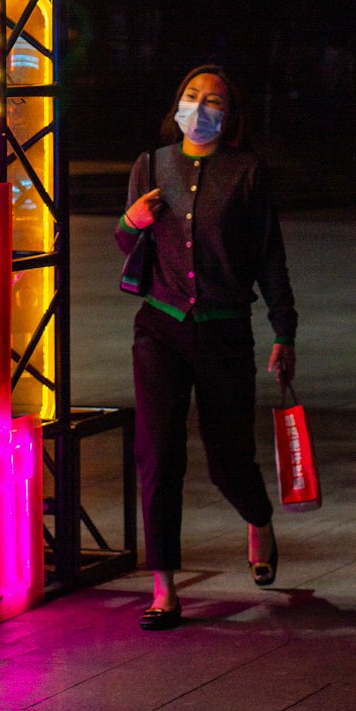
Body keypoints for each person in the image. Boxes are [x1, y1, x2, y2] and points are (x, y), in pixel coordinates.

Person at [116, 64, 297, 631]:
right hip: (160, 328)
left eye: (212, 100)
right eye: (191, 97)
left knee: (227, 459)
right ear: (177, 105)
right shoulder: (152, 163)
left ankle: (258, 518)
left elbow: (270, 255)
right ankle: (164, 588)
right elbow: (127, 239)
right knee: (158, 453)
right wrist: (131, 218)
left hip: (223, 329)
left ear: (229, 114)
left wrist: (284, 330)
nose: (200, 108)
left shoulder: (247, 173)